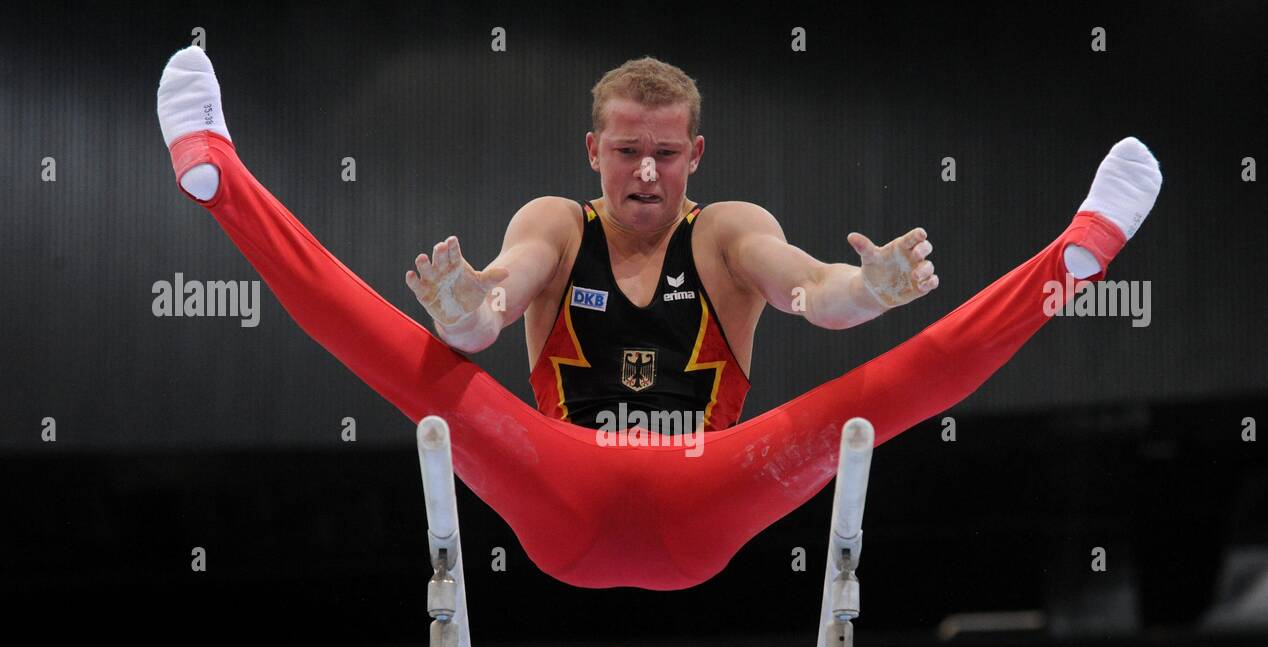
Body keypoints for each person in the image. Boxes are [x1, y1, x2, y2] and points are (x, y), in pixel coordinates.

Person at [156, 47, 1161, 590]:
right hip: (563, 482)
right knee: (411, 358)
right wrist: (465, 312)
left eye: (665, 154)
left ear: (696, 155)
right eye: (626, 151)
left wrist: (871, 292)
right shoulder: (553, 222)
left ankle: (1074, 254)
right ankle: (216, 174)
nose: (644, 172)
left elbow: (811, 292)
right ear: (592, 148)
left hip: (711, 491)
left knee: (876, 400)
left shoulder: (727, 233)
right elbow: (488, 309)